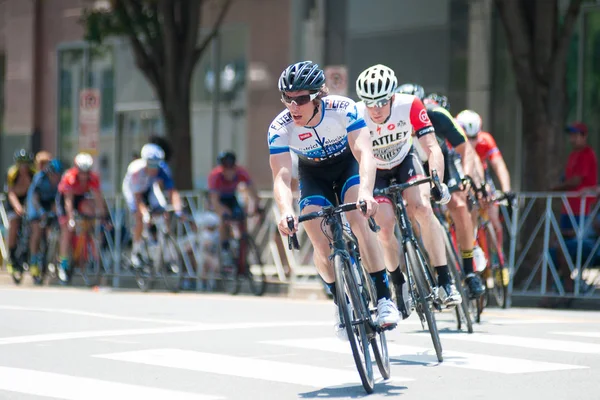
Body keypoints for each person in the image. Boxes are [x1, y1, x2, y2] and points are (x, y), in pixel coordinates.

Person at [268, 60, 400, 339]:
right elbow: (280, 176)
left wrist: (366, 192)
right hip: (313, 174)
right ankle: (340, 300)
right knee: (317, 236)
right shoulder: (280, 127)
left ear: (318, 97)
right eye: (287, 99)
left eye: (301, 99)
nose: (293, 106)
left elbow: (365, 152)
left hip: (347, 166)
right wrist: (285, 211)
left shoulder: (343, 109)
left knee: (358, 219)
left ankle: (384, 298)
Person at [354, 64, 459, 318]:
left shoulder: (410, 104)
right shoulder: (356, 114)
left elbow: (432, 147)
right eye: (369, 103)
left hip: (405, 161)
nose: (375, 110)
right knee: (385, 226)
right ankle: (397, 280)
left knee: (422, 207)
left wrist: (438, 183)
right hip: (376, 170)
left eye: (381, 102)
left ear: (392, 97)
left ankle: (445, 280)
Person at [398, 84, 485, 298]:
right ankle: (425, 260)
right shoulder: (393, 121)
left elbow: (466, 150)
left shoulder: (437, 115)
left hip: (442, 161)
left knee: (458, 203)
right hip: (413, 165)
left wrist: (466, 176)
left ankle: (469, 270)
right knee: (413, 209)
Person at [456, 109, 512, 278]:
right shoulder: (453, 141)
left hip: (481, 177)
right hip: (460, 174)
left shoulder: (486, 140)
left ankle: (498, 258)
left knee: (494, 217)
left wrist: (506, 190)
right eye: (467, 137)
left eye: (474, 137)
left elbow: (499, 165)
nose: (471, 142)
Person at [122, 143, 183, 266]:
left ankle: (166, 251)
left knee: (164, 212)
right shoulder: (136, 170)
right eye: (151, 165)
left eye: (156, 165)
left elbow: (172, 192)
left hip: (149, 188)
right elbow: (138, 199)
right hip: (133, 191)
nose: (154, 168)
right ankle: (136, 252)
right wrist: (145, 214)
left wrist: (178, 210)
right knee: (140, 218)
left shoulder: (163, 168)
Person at [56, 153, 105, 282]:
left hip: (81, 198)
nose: (84, 176)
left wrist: (103, 216)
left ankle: (86, 244)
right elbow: (69, 202)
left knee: (89, 210)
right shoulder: (69, 177)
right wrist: (71, 219)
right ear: (77, 169)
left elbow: (98, 198)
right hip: (66, 199)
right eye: (81, 172)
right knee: (67, 229)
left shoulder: (93, 178)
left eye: (86, 172)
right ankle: (63, 263)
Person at [207, 151, 261, 263]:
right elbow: (215, 201)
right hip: (219, 199)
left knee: (242, 218)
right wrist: (223, 213)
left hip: (231, 198)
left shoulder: (241, 172)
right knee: (224, 217)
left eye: (231, 168)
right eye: (226, 169)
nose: (229, 172)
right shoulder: (215, 176)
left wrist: (257, 206)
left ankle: (243, 256)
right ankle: (224, 246)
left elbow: (253, 192)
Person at [26, 159, 64, 279]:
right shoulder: (40, 179)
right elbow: (35, 198)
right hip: (36, 203)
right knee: (37, 230)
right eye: (54, 175)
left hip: (49, 203)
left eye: (58, 175)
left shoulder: (60, 182)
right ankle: (33, 260)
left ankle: (51, 256)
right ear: (49, 173)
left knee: (54, 228)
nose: (56, 177)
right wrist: (41, 212)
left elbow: (58, 200)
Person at [4, 149, 36, 274]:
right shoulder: (12, 173)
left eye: (26, 164)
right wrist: (18, 207)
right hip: (14, 201)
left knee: (34, 224)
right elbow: (11, 193)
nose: (24, 167)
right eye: (21, 164)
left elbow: (34, 193)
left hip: (28, 199)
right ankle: (11, 256)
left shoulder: (33, 173)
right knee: (14, 223)